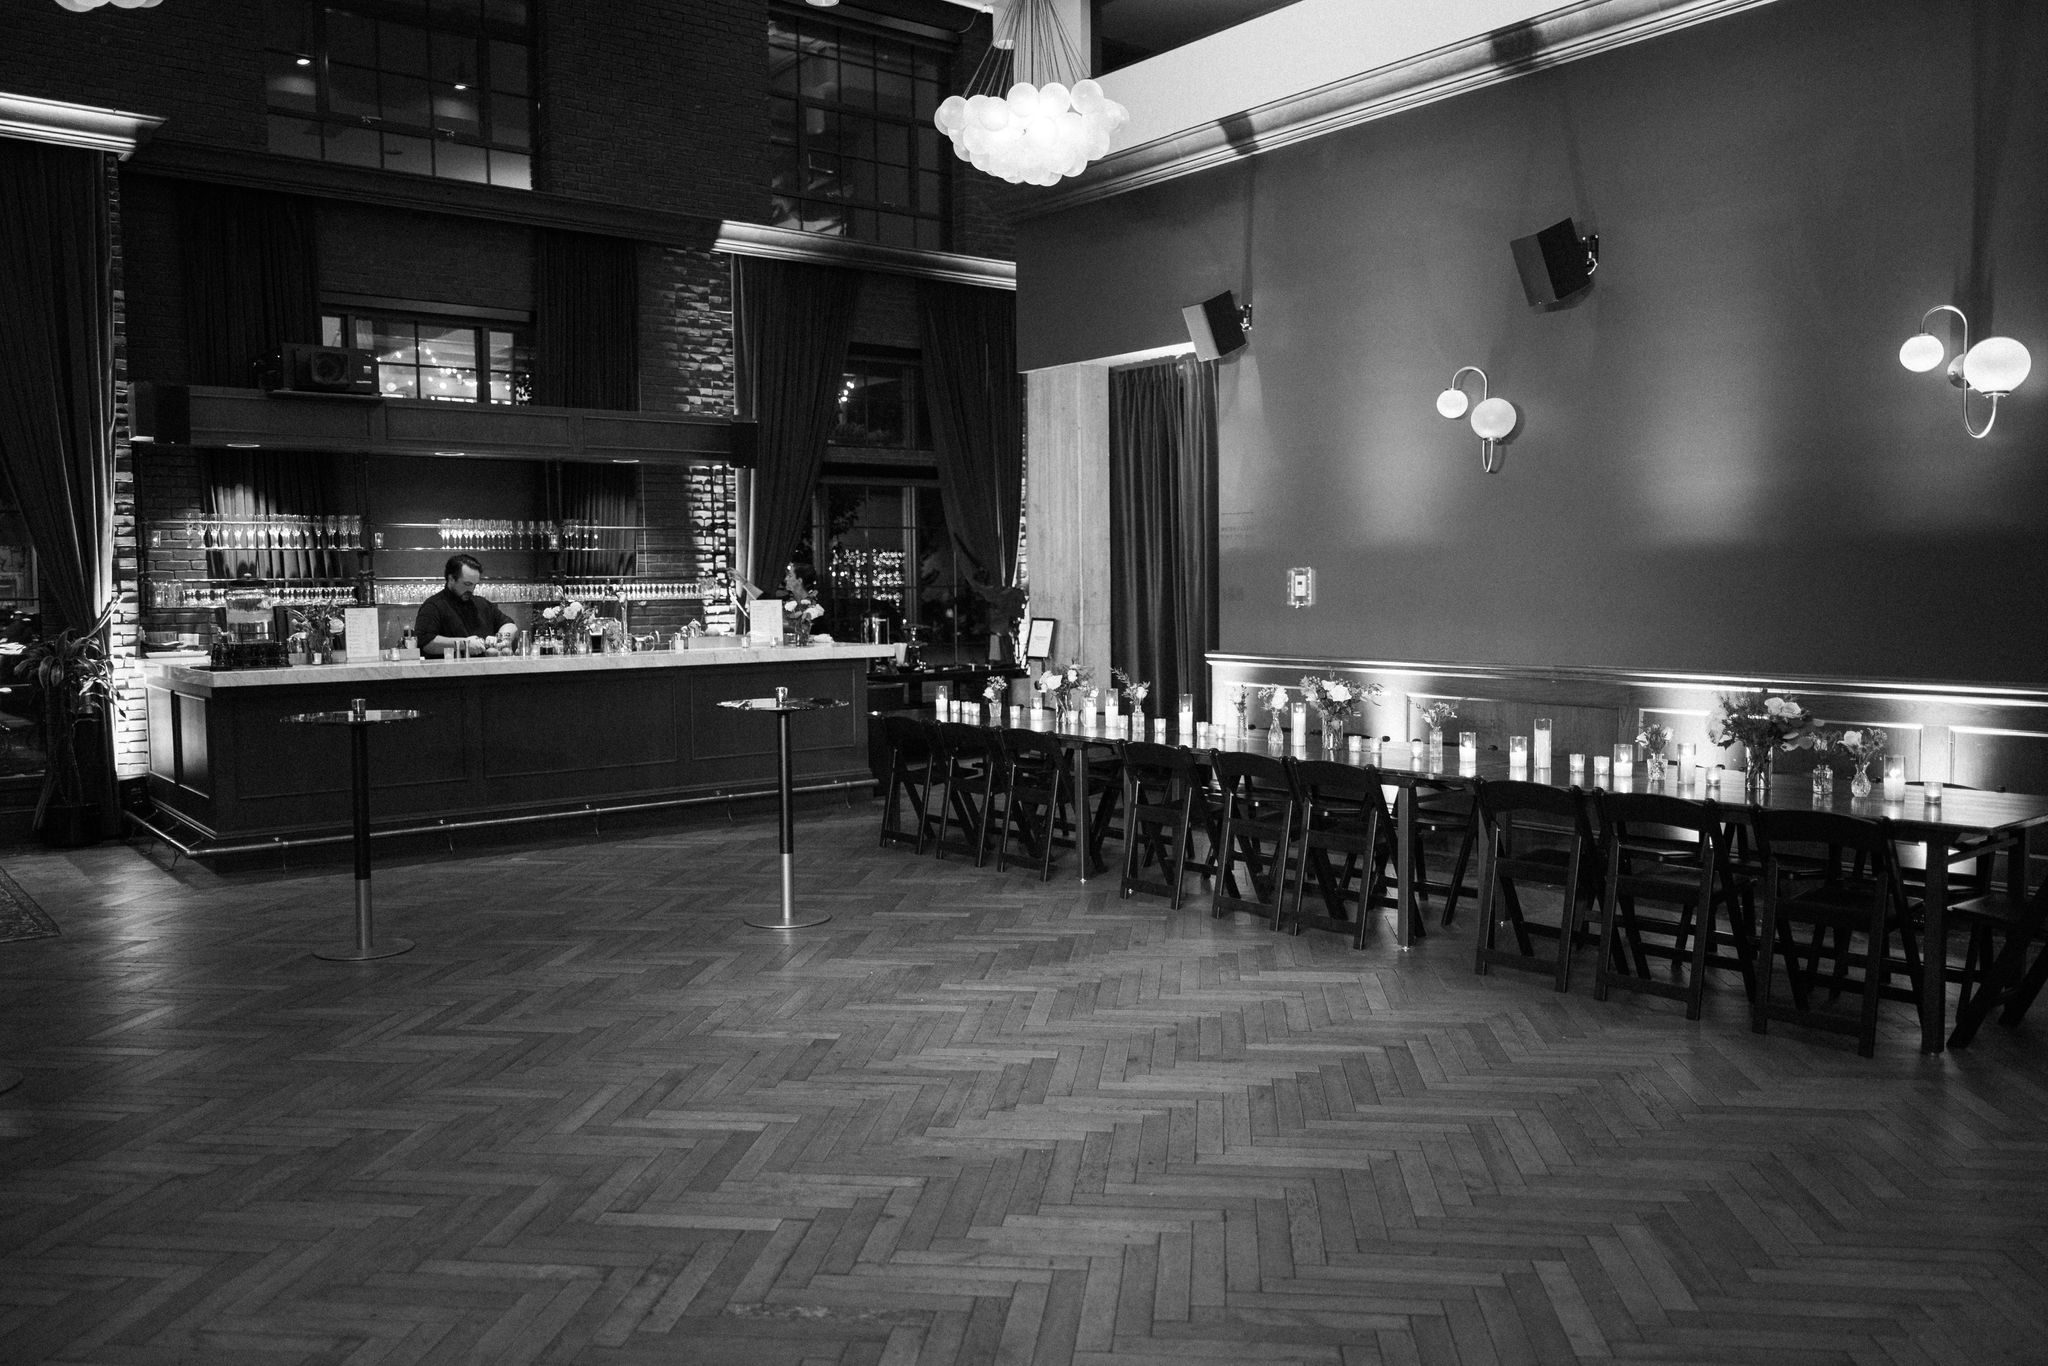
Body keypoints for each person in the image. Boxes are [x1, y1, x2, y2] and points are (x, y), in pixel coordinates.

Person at [414, 554, 518, 657]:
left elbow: (509, 625)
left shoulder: (481, 603)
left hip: (485, 670)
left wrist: (502, 639)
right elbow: (426, 643)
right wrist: (464, 644)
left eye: (475, 585)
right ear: (451, 579)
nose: (471, 589)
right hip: (450, 671)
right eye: (467, 584)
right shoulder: (433, 606)